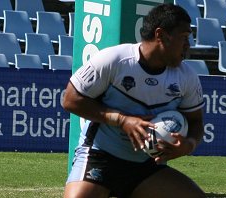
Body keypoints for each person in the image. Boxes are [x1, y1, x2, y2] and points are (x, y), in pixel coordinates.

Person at [63, 3, 206, 198]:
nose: (188, 45)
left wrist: (188, 145)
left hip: (146, 167)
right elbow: (70, 100)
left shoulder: (186, 77)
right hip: (100, 157)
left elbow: (196, 121)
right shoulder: (114, 60)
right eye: (184, 37)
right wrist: (122, 120)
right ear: (161, 35)